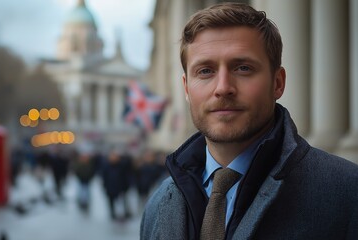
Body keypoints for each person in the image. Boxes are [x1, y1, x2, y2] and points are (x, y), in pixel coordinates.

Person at [140, 3, 358, 240]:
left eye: (243, 68)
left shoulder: (347, 193)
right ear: (186, 88)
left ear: (278, 83)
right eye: (205, 71)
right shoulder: (158, 205)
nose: (223, 88)